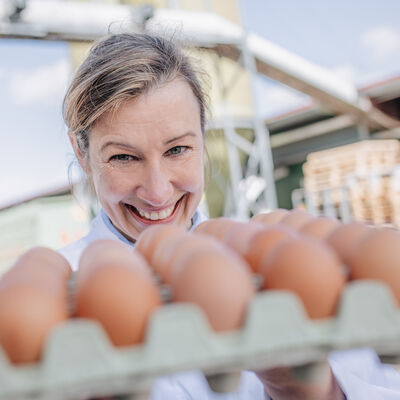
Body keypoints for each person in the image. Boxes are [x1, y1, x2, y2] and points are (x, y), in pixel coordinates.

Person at [60, 33, 400, 399]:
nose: (157, 191)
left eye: (177, 149)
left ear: (203, 140)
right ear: (82, 155)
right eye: (123, 157)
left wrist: (314, 389)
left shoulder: (280, 260)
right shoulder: (56, 296)